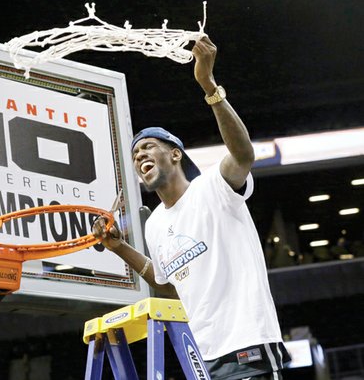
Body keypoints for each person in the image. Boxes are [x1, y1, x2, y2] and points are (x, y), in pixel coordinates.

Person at [93, 36, 289, 380]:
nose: (140, 157)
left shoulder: (213, 187)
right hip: (205, 354)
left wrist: (209, 87)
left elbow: (243, 154)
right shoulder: (154, 225)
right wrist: (119, 247)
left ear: (175, 154)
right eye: (136, 155)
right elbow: (167, 283)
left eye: (148, 148)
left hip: (248, 342)